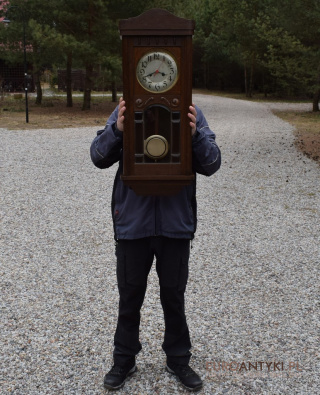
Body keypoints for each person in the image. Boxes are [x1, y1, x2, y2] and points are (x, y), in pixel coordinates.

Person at [90, 97, 221, 392]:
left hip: (175, 225)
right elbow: (98, 156)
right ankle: (124, 358)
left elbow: (212, 162)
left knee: (174, 296)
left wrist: (194, 135)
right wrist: (119, 129)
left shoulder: (191, 112)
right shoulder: (125, 108)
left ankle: (178, 358)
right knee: (130, 295)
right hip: (133, 224)